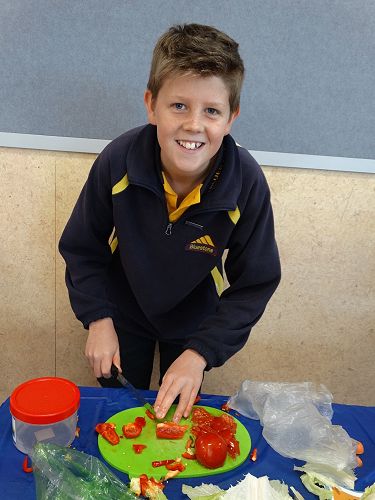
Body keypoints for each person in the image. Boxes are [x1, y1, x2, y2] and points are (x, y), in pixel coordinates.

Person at [59, 23, 281, 423]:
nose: (194, 125)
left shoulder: (246, 180)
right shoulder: (118, 159)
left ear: (231, 117)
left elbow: (256, 282)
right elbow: (81, 247)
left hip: (194, 324)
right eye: (179, 105)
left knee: (176, 419)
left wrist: (200, 354)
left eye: (211, 110)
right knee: (121, 417)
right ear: (151, 104)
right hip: (121, 314)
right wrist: (97, 318)